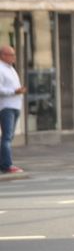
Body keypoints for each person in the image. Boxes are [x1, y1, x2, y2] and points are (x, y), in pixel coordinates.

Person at [0, 45, 26, 174]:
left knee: (9, 137)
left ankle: (4, 163)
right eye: (11, 55)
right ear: (3, 55)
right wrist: (14, 91)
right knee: (7, 137)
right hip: (6, 107)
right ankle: (7, 165)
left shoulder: (11, 69)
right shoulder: (1, 69)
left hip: (15, 106)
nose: (14, 57)